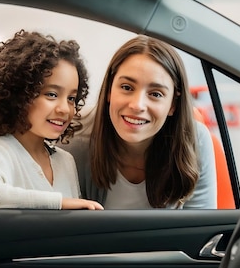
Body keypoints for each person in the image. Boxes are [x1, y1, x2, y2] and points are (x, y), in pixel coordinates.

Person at [65, 35, 217, 209]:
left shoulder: (195, 141)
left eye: (155, 94)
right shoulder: (75, 133)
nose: (137, 105)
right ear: (109, 90)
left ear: (173, 105)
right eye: (127, 88)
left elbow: (199, 230)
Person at [0, 29, 103, 210]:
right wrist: (59, 203)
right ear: (19, 94)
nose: (64, 109)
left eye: (71, 98)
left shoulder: (65, 161)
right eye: (52, 94)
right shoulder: (0, 151)